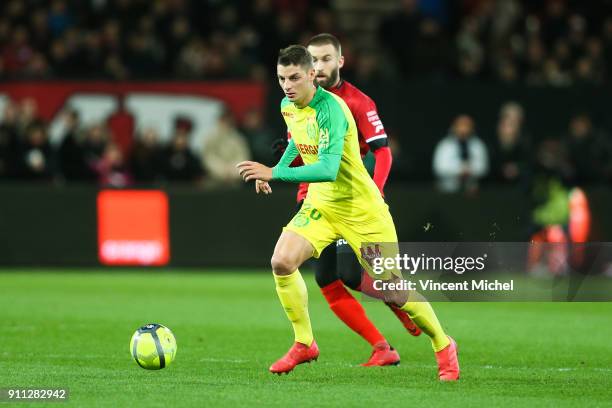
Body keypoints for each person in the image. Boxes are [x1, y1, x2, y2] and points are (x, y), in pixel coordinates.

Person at [236, 45, 459, 380]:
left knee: (392, 288)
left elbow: (326, 168)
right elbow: (299, 140)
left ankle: (443, 344)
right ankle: (305, 342)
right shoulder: (288, 105)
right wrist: (276, 166)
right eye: (281, 78)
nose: (286, 85)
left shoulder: (334, 109)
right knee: (282, 261)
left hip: (360, 207)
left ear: (312, 74)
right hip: (322, 205)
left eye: (294, 77)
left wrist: (275, 174)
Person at [287, 33, 420, 367]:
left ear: (340, 61)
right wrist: (278, 171)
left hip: (348, 199)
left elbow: (383, 152)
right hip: (314, 197)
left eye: (326, 59)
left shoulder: (358, 102)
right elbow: (299, 148)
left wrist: (376, 189)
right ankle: (382, 348)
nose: (318, 66)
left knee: (349, 274)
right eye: (313, 60)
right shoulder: (299, 101)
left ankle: (402, 302)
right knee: (325, 278)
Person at [432, 114, 489, 193]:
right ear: (454, 127)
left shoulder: (478, 145)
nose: (463, 128)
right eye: (460, 125)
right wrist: (459, 170)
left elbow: (483, 168)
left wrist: (469, 171)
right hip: (448, 190)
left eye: (467, 125)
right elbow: (439, 168)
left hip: (473, 191)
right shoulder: (445, 145)